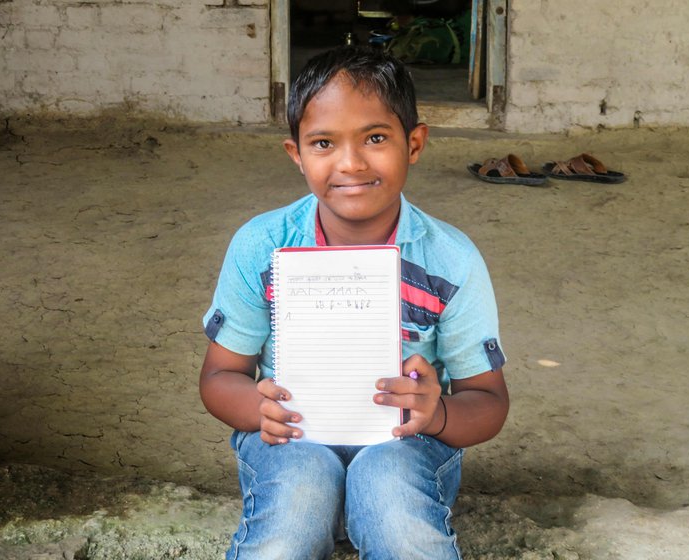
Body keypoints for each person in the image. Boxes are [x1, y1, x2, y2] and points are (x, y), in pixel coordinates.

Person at [199, 45, 509, 560]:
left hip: (407, 446)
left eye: (375, 138)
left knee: (389, 490)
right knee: (297, 496)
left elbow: (489, 401)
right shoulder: (262, 247)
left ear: (414, 144)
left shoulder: (451, 262)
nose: (351, 163)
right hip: (289, 445)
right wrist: (259, 407)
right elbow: (218, 377)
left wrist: (435, 416)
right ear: (296, 154)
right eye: (323, 142)